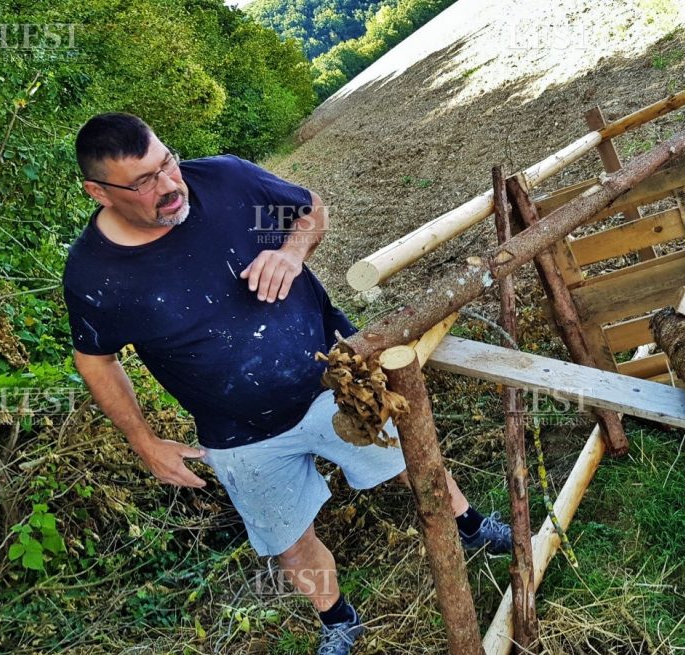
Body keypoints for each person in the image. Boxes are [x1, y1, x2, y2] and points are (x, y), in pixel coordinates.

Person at [63, 112, 511, 655]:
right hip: (237, 433)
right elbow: (97, 360)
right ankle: (338, 620)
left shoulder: (227, 181)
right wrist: (144, 441)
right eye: (143, 181)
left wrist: (291, 251)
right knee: (290, 541)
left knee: (413, 463)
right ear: (99, 192)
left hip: (332, 381)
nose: (169, 187)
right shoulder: (94, 275)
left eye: (167, 163)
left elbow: (310, 210)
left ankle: (470, 526)